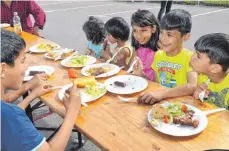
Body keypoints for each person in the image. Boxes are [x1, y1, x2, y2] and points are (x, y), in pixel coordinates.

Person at [1, 29, 81, 151]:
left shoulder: (8, 113)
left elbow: (9, 114)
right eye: (22, 61)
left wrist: (32, 94)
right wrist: (72, 111)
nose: (26, 66)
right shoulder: (10, 116)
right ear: (3, 69)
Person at [137, 9, 197, 104]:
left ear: (186, 36)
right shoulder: (158, 55)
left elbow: (192, 86)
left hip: (180, 105)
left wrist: (162, 94)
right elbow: (157, 84)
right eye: (161, 32)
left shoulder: (191, 57)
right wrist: (142, 75)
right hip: (161, 103)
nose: (162, 39)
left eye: (169, 34)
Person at [190, 33, 229, 109]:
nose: (192, 57)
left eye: (198, 56)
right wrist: (198, 97)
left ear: (214, 68)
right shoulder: (201, 76)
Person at [131, 9, 160, 81]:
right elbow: (130, 68)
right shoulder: (137, 46)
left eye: (143, 30)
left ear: (153, 29)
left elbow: (158, 85)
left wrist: (141, 75)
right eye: (135, 30)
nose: (138, 36)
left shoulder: (160, 51)